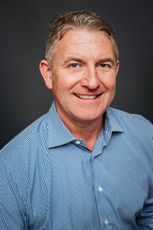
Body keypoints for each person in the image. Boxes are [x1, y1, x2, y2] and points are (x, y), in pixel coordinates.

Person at [0, 10, 153, 230]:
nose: (92, 82)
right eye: (75, 65)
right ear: (48, 74)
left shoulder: (145, 135)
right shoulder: (9, 170)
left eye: (103, 65)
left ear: (116, 70)